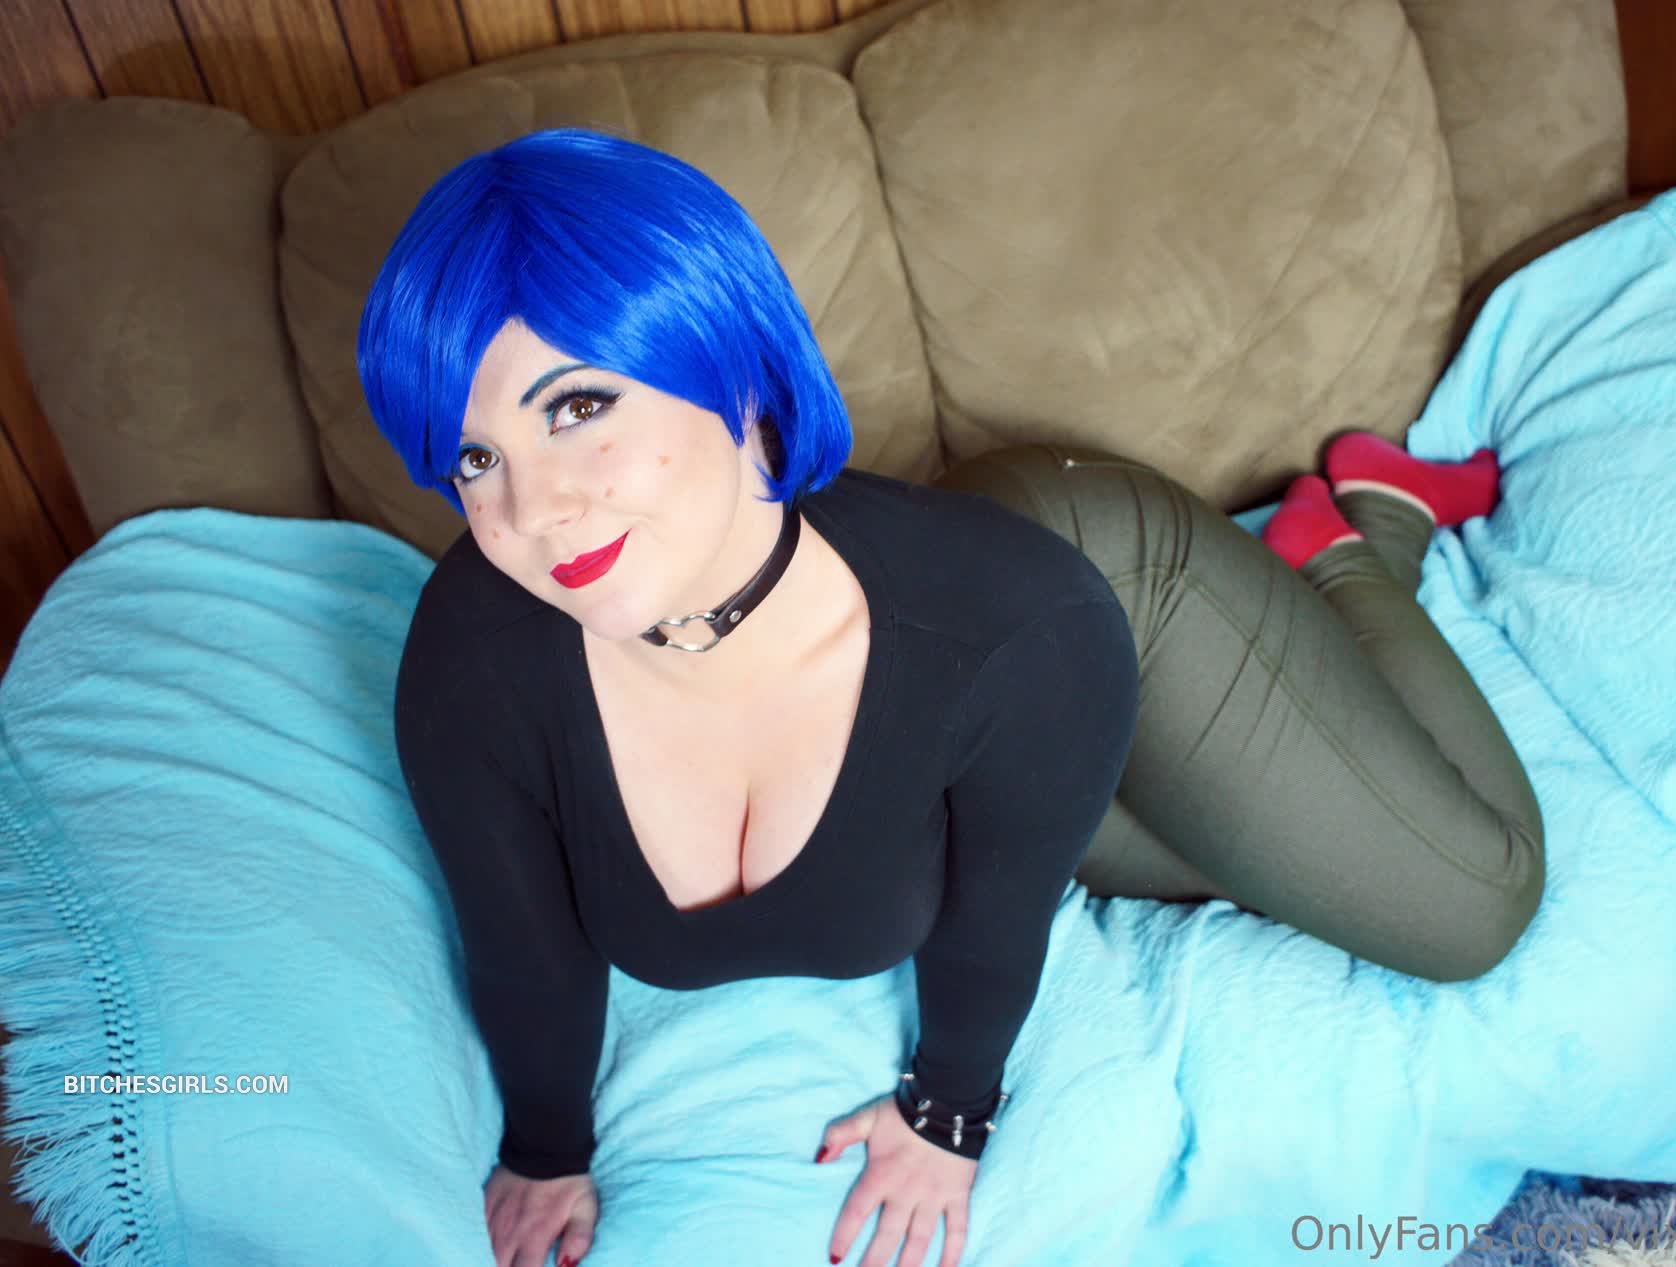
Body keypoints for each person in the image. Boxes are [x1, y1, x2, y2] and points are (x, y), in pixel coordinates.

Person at [359, 126, 1544, 1267]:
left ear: (734, 369)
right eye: (475, 457)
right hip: (997, 690)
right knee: (1191, 845)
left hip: (1105, 597)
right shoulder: (474, 661)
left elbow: (989, 924)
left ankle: (1353, 539)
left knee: (1471, 907)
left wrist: (948, 1113)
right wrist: (545, 1151)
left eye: (577, 408)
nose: (533, 511)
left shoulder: (1023, 626)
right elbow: (522, 946)